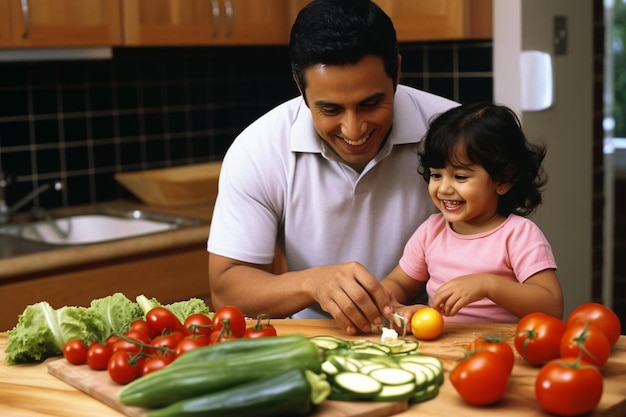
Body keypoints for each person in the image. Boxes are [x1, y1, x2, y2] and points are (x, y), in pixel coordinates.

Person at [207, 0, 458, 335]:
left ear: (396, 72)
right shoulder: (259, 150)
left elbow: (500, 249)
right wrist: (314, 283)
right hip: (317, 339)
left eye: (371, 103)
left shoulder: (456, 135)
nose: (354, 131)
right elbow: (226, 288)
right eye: (331, 110)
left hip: (435, 333)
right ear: (301, 89)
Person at [381, 102, 564, 324]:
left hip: (497, 352)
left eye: (460, 177)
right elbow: (399, 284)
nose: (444, 188)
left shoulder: (519, 235)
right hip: (443, 350)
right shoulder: (431, 230)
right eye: (436, 175)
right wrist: (392, 305)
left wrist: (488, 285)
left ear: (504, 179)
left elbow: (552, 307)